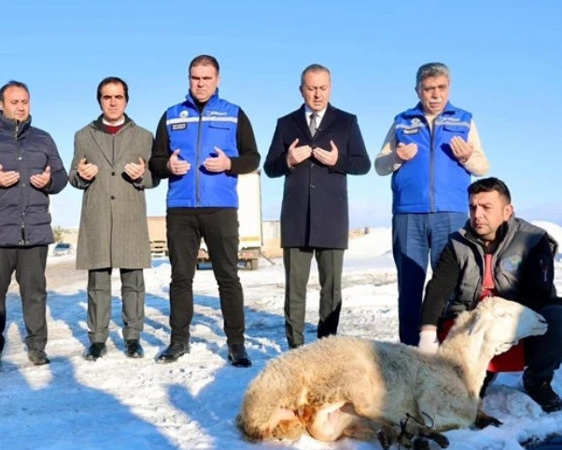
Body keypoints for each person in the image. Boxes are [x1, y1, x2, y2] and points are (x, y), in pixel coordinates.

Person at [148, 55, 260, 367]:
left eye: (206, 78)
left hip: (221, 208)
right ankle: (178, 341)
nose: (201, 84)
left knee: (228, 277)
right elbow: (155, 161)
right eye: (195, 78)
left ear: (218, 80)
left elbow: (253, 158)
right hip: (181, 209)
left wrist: (229, 164)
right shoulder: (172, 115)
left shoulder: (234, 114)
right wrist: (167, 165)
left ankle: (236, 344)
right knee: (181, 277)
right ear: (188, 79)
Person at [418, 177, 562, 413]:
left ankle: (539, 379)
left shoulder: (534, 239)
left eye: (486, 207)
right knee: (454, 332)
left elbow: (538, 293)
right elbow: (438, 288)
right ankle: (480, 375)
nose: (477, 214)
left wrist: (500, 316)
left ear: (507, 211)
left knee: (555, 317)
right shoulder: (458, 243)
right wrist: (427, 332)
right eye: (473, 207)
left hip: (514, 315)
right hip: (473, 317)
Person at [375, 62, 490, 346]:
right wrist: (397, 157)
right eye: (429, 89)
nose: (435, 95)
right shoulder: (402, 121)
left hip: (450, 214)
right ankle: (409, 351)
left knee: (449, 285)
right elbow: (379, 165)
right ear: (418, 90)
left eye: (441, 88)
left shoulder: (464, 120)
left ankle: (445, 349)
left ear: (449, 88)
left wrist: (466, 158)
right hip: (408, 214)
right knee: (410, 285)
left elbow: (482, 166)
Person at [0, 80, 67, 369]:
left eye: (25, 102)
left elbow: (61, 177)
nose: (20, 107)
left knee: (35, 293)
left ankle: (37, 347)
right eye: (14, 101)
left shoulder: (43, 138)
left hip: (35, 231)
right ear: (0, 104)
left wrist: (49, 181)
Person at [263, 64, 371, 349]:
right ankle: (295, 348)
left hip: (332, 220)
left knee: (331, 290)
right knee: (294, 290)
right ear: (301, 90)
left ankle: (325, 348)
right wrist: (287, 160)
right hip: (296, 219)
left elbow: (363, 164)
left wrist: (338, 161)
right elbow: (270, 168)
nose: (317, 94)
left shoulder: (346, 122)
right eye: (311, 88)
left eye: (323, 88)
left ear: (330, 88)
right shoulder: (285, 123)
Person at [69, 77, 156, 361]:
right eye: (107, 97)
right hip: (97, 217)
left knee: (133, 282)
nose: (113, 102)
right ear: (100, 101)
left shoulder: (143, 136)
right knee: (98, 284)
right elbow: (73, 175)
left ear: (126, 100)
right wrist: (80, 176)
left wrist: (142, 175)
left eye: (118, 96)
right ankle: (97, 338)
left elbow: (154, 176)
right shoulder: (83, 135)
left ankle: (133, 337)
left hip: (130, 216)